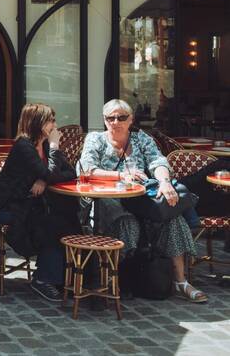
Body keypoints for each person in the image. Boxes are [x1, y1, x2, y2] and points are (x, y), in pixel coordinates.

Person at [78, 99, 206, 303]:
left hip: (139, 198)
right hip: (106, 199)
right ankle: (114, 279)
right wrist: (120, 176)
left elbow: (158, 161)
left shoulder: (140, 139)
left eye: (121, 117)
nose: (115, 122)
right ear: (104, 120)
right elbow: (88, 170)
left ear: (131, 119)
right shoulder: (96, 139)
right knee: (126, 223)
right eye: (110, 118)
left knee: (171, 219)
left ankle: (180, 282)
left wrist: (165, 182)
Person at [0, 103, 80, 302]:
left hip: (30, 203)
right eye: (51, 121)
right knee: (50, 224)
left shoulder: (44, 145)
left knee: (67, 220)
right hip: (7, 206)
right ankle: (43, 279)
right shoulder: (23, 146)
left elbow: (70, 172)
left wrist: (43, 179)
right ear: (38, 123)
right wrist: (52, 158)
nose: (55, 125)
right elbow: (51, 173)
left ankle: (63, 278)